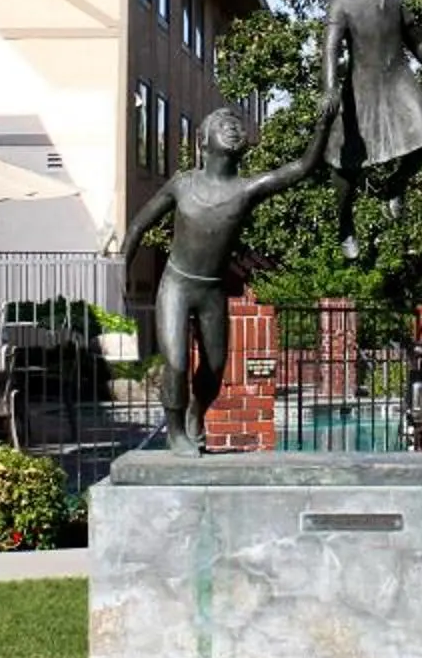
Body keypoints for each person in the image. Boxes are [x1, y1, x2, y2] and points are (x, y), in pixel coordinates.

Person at [114, 104, 336, 453]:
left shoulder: (247, 190)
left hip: (212, 290)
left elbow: (302, 168)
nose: (233, 128)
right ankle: (175, 433)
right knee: (175, 362)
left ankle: (195, 414)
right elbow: (140, 225)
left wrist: (323, 125)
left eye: (235, 123)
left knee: (215, 370)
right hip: (176, 284)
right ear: (203, 141)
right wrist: (122, 267)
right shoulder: (182, 184)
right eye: (222, 124)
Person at [319, 0, 422, 259]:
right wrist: (329, 89)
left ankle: (396, 183)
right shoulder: (341, 2)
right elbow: (331, 49)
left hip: (397, 81)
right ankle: (345, 222)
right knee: (346, 166)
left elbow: (418, 41)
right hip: (360, 89)